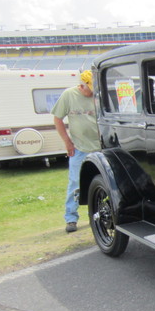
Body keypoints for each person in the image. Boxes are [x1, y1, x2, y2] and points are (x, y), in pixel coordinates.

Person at [51, 70, 100, 233]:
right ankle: (71, 218)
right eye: (90, 88)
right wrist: (67, 142)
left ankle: (99, 213)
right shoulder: (69, 95)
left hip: (100, 148)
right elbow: (57, 118)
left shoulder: (99, 95)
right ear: (82, 85)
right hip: (79, 149)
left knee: (101, 183)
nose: (92, 92)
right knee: (75, 183)